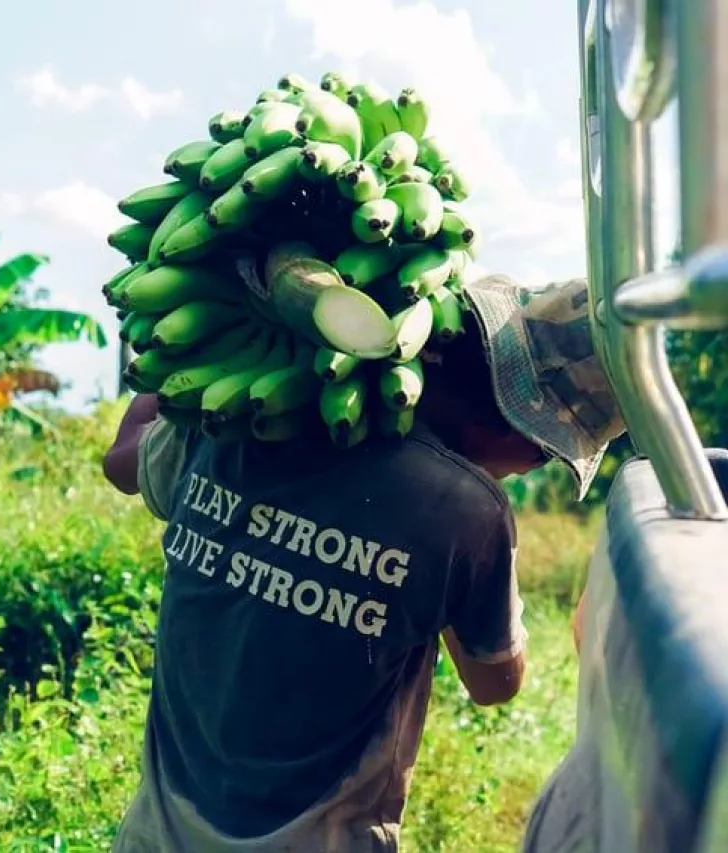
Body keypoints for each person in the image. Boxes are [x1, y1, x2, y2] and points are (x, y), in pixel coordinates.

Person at [101, 252, 628, 852]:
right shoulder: (465, 509)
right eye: (543, 454)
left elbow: (122, 461)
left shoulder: (241, 419)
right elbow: (495, 682)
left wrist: (205, 344)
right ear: (519, 428)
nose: (532, 468)